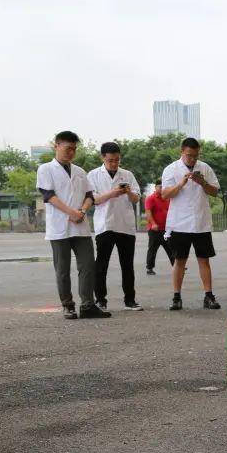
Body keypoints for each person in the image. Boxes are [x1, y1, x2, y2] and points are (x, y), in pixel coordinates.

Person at [38, 131, 111, 320]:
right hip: (59, 226)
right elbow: (48, 195)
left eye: (74, 149)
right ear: (57, 146)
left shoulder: (80, 171)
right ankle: (68, 305)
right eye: (67, 148)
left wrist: (82, 211)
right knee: (62, 269)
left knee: (87, 265)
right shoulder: (46, 169)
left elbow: (89, 195)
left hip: (80, 226)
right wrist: (71, 212)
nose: (71, 152)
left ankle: (87, 305)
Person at [161, 137, 221, 310]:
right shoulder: (171, 169)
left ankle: (209, 296)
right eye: (189, 156)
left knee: (204, 259)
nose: (193, 159)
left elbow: (215, 192)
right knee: (179, 260)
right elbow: (165, 194)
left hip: (201, 222)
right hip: (180, 223)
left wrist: (202, 182)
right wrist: (182, 183)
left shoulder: (205, 168)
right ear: (182, 152)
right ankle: (176, 297)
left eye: (195, 156)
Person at [88, 142, 143, 311]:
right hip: (105, 225)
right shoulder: (93, 175)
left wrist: (127, 192)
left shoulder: (127, 174)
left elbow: (136, 199)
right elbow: (93, 200)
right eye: (111, 160)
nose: (114, 163)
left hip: (125, 225)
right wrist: (112, 193)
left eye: (117, 160)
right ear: (102, 157)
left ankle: (130, 300)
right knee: (101, 264)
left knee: (127, 265)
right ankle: (101, 300)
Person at [144, 181, 173, 274]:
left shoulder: (167, 198)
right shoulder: (150, 198)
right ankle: (149, 268)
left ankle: (176, 266)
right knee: (153, 249)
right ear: (155, 187)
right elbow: (148, 212)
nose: (161, 189)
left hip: (166, 229)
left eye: (163, 187)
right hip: (154, 229)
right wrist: (153, 223)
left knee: (171, 248)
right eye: (160, 187)